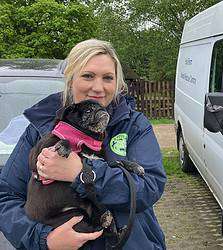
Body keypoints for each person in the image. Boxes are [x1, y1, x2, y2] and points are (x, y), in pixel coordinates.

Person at [0, 39, 167, 249]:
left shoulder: (133, 125)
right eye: (88, 76)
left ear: (117, 84)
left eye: (108, 78)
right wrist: (45, 239)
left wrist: (84, 173)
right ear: (70, 79)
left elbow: (150, 187)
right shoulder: (40, 128)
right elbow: (6, 196)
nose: (98, 88)